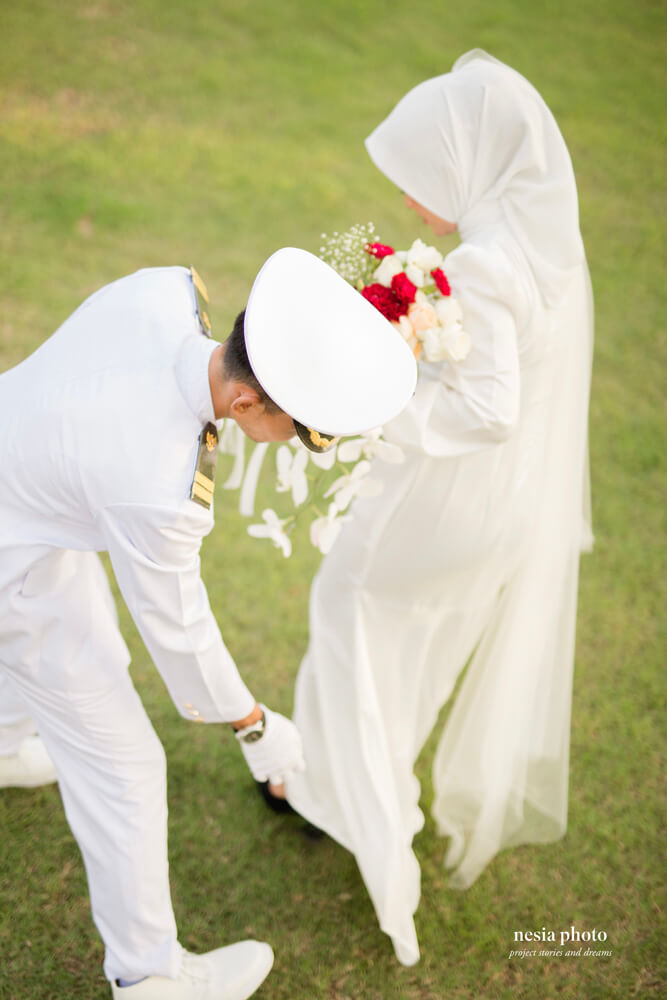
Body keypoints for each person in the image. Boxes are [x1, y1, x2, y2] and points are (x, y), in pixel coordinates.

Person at [0, 249, 416, 998]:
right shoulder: (160, 485)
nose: (295, 442)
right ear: (248, 404)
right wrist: (255, 726)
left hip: (25, 484)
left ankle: (3, 742)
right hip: (13, 563)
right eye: (298, 429)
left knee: (87, 636)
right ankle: (149, 977)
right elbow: (180, 633)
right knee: (125, 767)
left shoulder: (163, 293)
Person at [281, 51, 594, 965]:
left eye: (421, 179)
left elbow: (488, 411)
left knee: (346, 611)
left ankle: (351, 811)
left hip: (445, 502)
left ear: (470, 167)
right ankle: (346, 788)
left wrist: (373, 407)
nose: (410, 201)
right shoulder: (550, 252)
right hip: (504, 511)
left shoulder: (484, 266)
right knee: (411, 650)